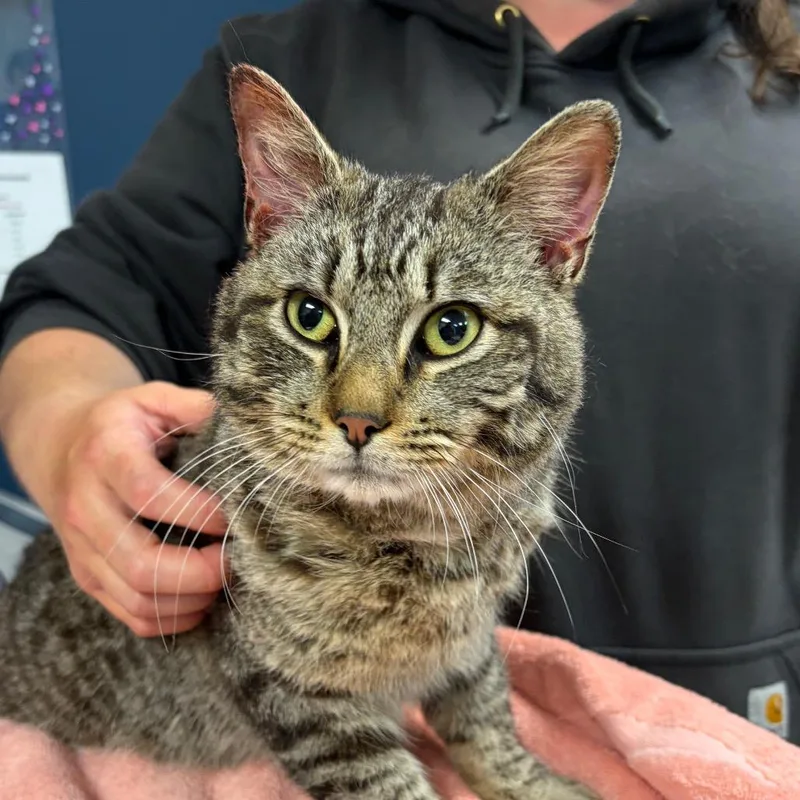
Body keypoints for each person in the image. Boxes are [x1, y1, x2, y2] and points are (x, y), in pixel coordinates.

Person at [1, 0, 799, 738]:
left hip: (750, 709)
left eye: (447, 330)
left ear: (564, 243)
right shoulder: (303, 48)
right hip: (312, 702)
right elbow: (83, 292)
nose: (363, 409)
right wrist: (71, 433)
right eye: (315, 319)